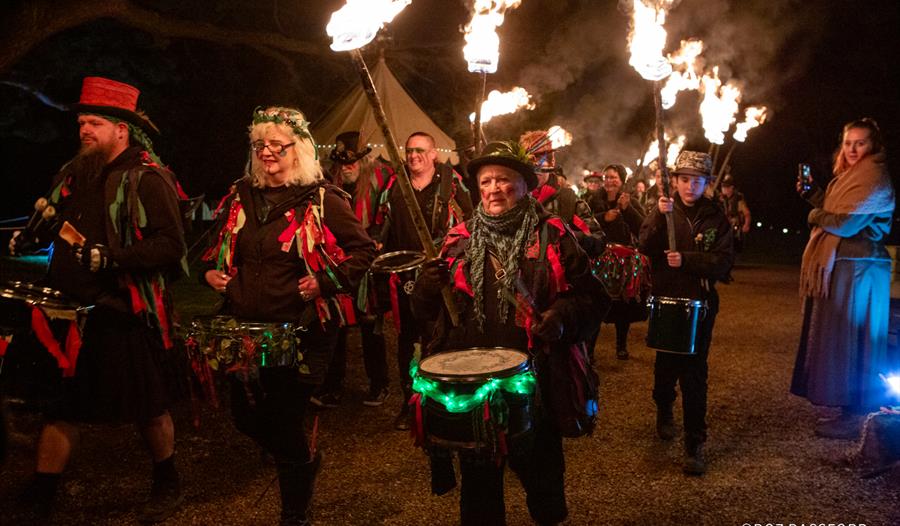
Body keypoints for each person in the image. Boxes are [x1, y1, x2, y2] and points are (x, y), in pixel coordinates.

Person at [7, 76, 188, 521]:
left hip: (120, 312)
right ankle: (43, 488)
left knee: (148, 406)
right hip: (66, 314)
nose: (84, 130)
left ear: (121, 129)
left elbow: (171, 246)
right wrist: (28, 241)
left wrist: (113, 258)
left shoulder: (147, 177)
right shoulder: (74, 174)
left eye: (95, 123)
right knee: (60, 406)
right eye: (83, 122)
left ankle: (168, 479)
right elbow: (55, 228)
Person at [410, 140, 603, 525]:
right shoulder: (457, 240)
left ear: (524, 185)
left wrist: (561, 316)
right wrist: (427, 289)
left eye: (503, 180)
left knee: (542, 479)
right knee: (479, 489)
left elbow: (593, 298)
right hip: (474, 384)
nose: (494, 189)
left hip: (536, 378)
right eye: (486, 182)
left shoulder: (553, 234)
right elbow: (428, 318)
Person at [202, 107, 376, 524]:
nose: (267, 152)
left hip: (304, 329)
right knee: (245, 414)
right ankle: (300, 461)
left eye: (276, 145)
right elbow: (218, 248)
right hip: (248, 327)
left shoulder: (323, 199)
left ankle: (294, 509)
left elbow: (364, 250)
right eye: (260, 144)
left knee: (284, 417)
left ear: (297, 150)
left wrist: (325, 281)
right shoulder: (241, 195)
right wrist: (213, 272)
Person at [791, 118, 896, 440]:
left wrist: (815, 215)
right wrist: (815, 197)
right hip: (848, 266)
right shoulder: (849, 177)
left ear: (873, 146)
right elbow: (839, 211)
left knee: (854, 339)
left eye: (860, 143)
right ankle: (848, 407)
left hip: (861, 268)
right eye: (848, 142)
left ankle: (856, 412)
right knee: (841, 339)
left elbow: (847, 225)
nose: (852, 149)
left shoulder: (873, 177)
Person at [639, 150, 734, 476]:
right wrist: (655, 216)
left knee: (695, 374)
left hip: (701, 303)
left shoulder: (716, 218)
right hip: (667, 299)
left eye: (697, 180)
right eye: (684, 179)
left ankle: (694, 442)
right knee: (665, 366)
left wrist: (688, 260)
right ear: (675, 181)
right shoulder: (664, 210)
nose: (690, 186)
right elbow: (644, 246)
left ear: (707, 183)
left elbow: (724, 262)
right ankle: (664, 409)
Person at [372, 131, 473, 430]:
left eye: (420, 150)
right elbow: (381, 223)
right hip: (403, 275)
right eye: (409, 150)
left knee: (441, 334)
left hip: (440, 276)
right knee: (407, 339)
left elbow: (469, 226)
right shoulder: (395, 185)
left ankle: (444, 402)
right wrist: (378, 244)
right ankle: (410, 401)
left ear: (433, 155)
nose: (413, 155)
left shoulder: (452, 186)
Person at [311, 131, 391, 408]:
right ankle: (332, 386)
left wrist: (378, 238)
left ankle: (379, 384)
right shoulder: (328, 185)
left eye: (353, 161)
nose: (347, 167)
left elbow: (388, 216)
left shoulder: (383, 179)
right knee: (336, 323)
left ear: (364, 160)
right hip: (338, 261)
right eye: (343, 162)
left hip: (368, 260)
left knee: (371, 326)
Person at [588, 164, 646, 360]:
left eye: (614, 177)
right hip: (599, 258)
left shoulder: (631, 201)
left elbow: (643, 227)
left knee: (622, 305)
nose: (609, 181)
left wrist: (627, 209)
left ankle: (621, 345)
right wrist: (603, 217)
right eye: (607, 177)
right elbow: (582, 222)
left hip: (623, 261)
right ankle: (589, 350)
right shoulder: (594, 200)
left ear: (622, 181)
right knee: (595, 303)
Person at [719, 173, 752, 252]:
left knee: (733, 246)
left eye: (726, 187)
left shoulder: (738, 200)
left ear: (731, 188)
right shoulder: (721, 199)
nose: (723, 188)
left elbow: (747, 213)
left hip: (734, 227)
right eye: (723, 186)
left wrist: (746, 225)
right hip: (723, 226)